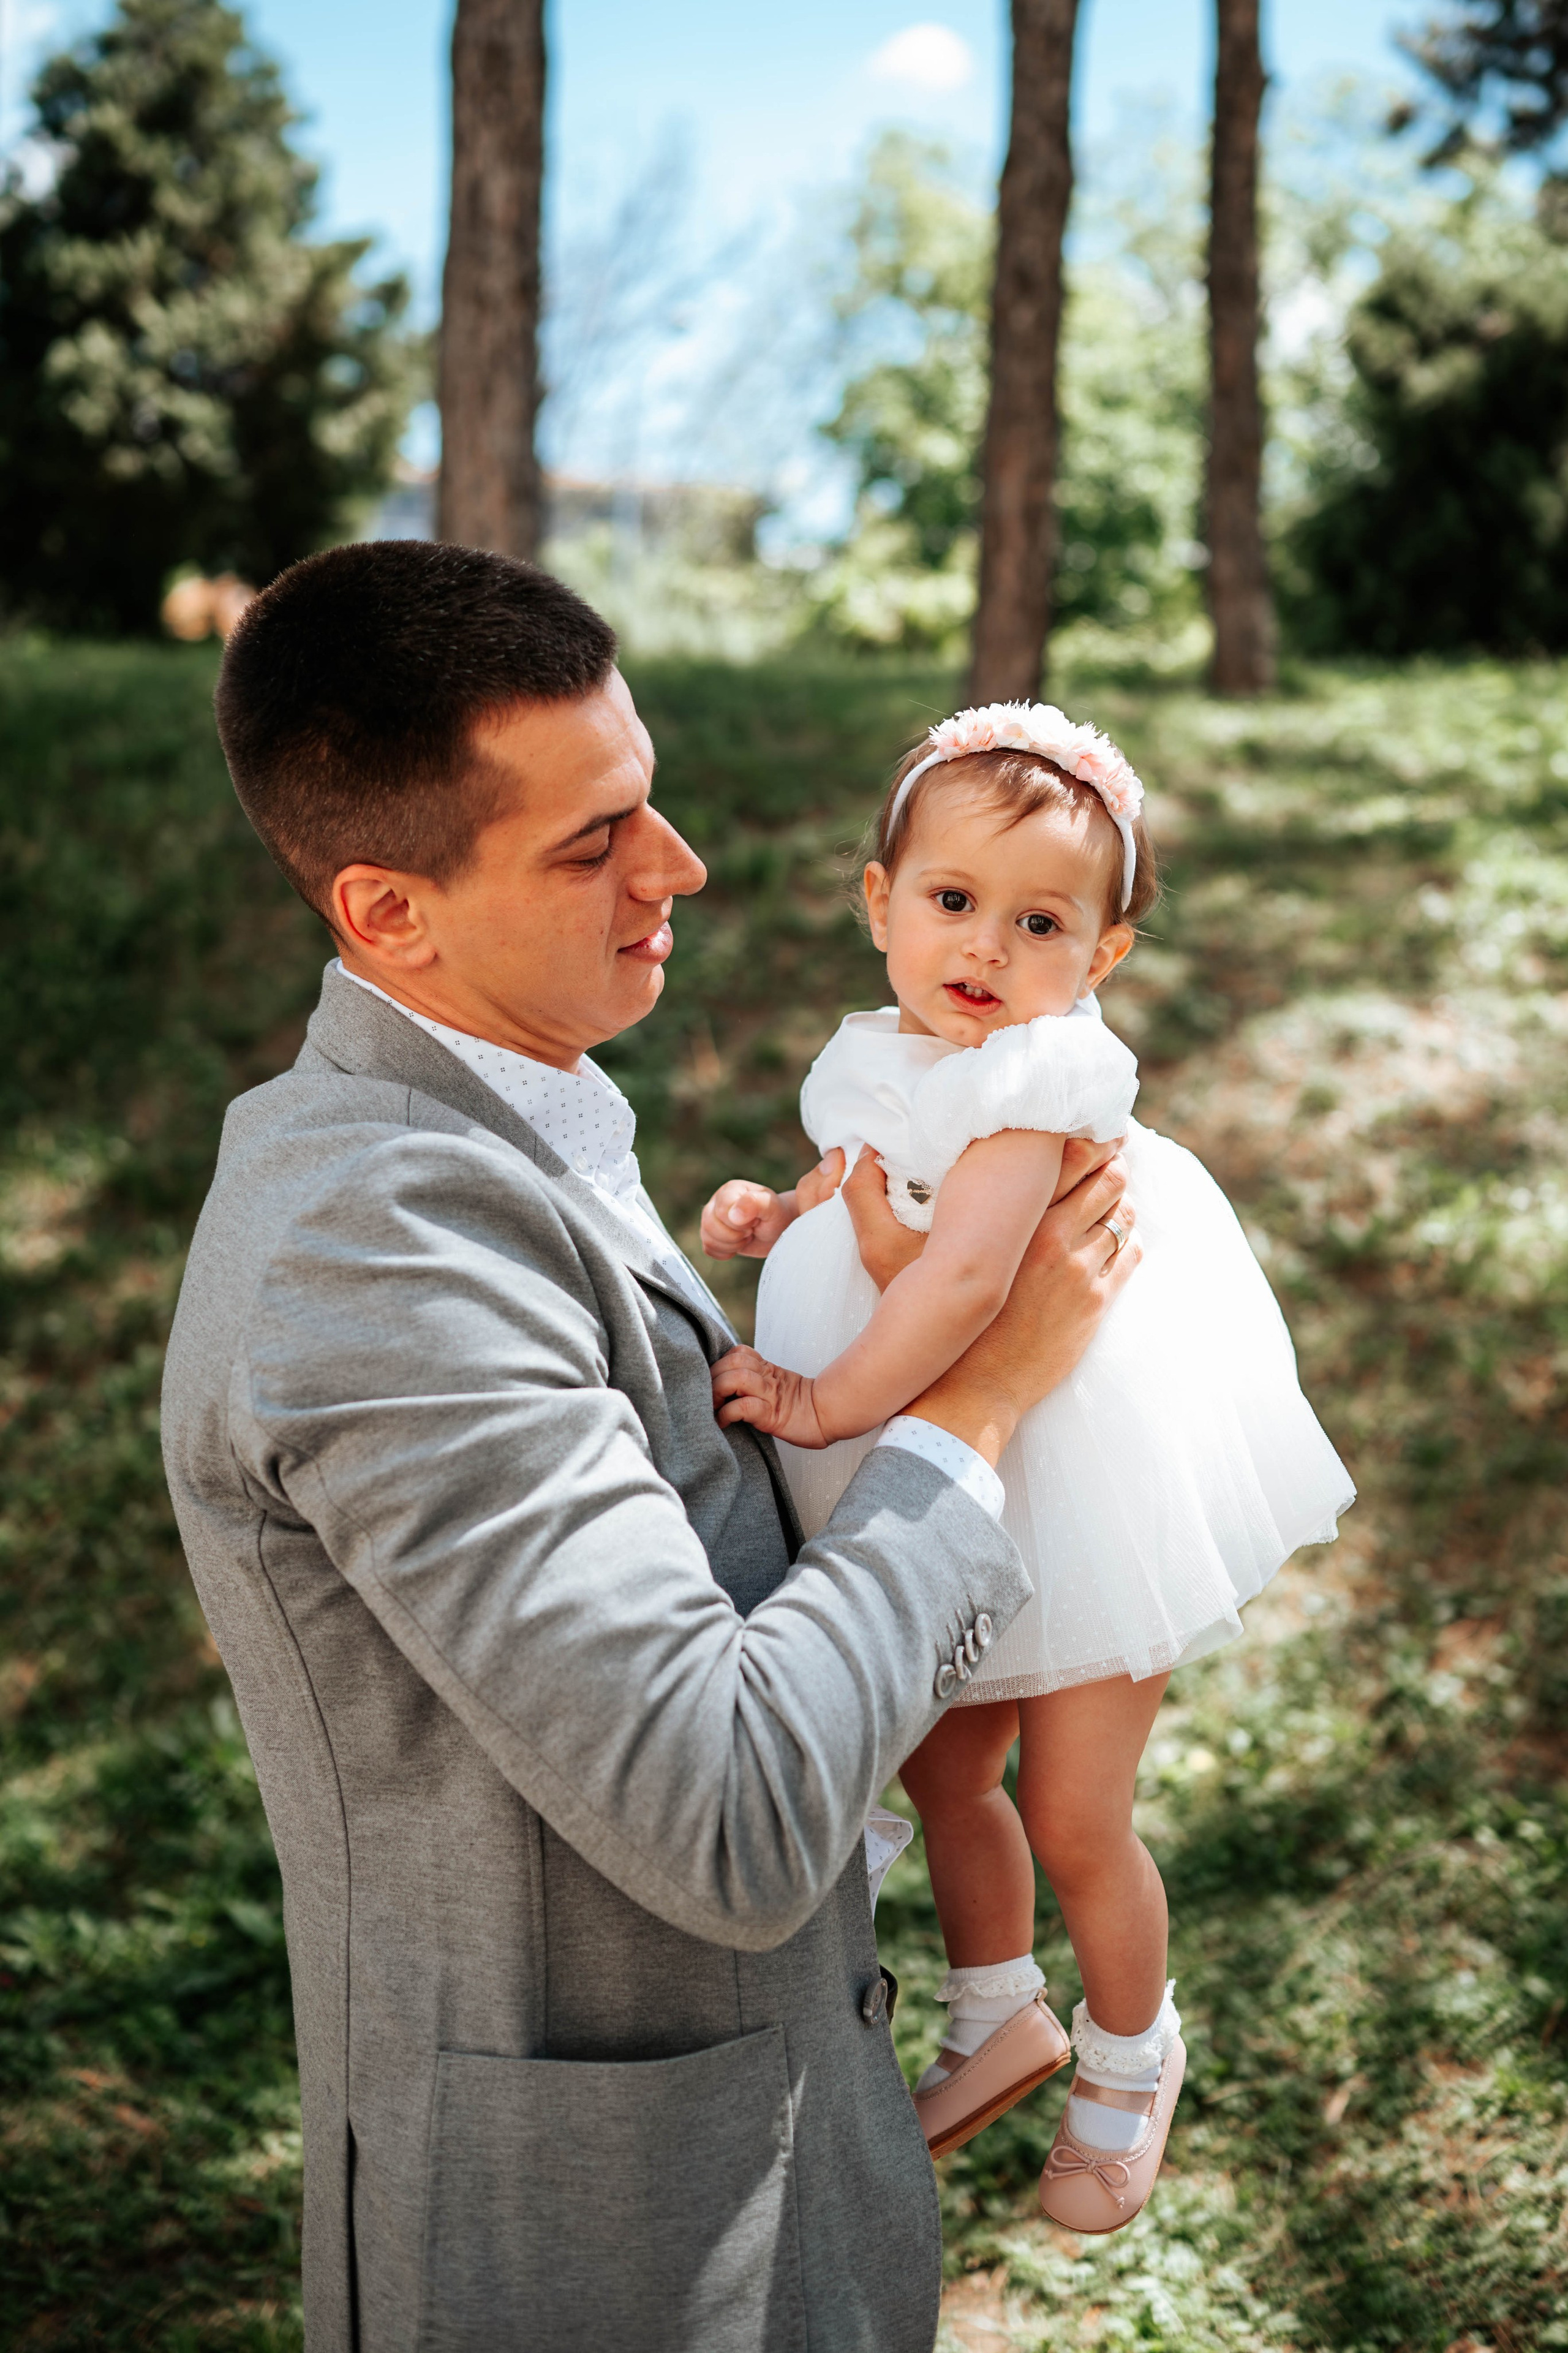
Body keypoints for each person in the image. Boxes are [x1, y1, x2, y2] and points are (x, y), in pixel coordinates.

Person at [159, 545, 1143, 2353]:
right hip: (602, 2254)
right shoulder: (375, 1246)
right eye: (590, 839)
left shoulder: (512, 1130)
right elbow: (730, 1809)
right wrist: (979, 1405)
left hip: (769, 2170)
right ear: (389, 914)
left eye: (652, 800)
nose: (676, 865)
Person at [702, 700, 1355, 2234]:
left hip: (1076, 1474)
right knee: (941, 1766)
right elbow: (871, 1174)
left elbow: (954, 1285)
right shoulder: (901, 1051)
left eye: (1039, 920)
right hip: (963, 1472)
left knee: (1071, 1805)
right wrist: (784, 1209)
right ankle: (994, 2004)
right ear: (880, 905)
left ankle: (1133, 2049)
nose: (984, 948)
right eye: (950, 902)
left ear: (1100, 957)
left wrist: (814, 1396)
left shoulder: (1035, 1081)